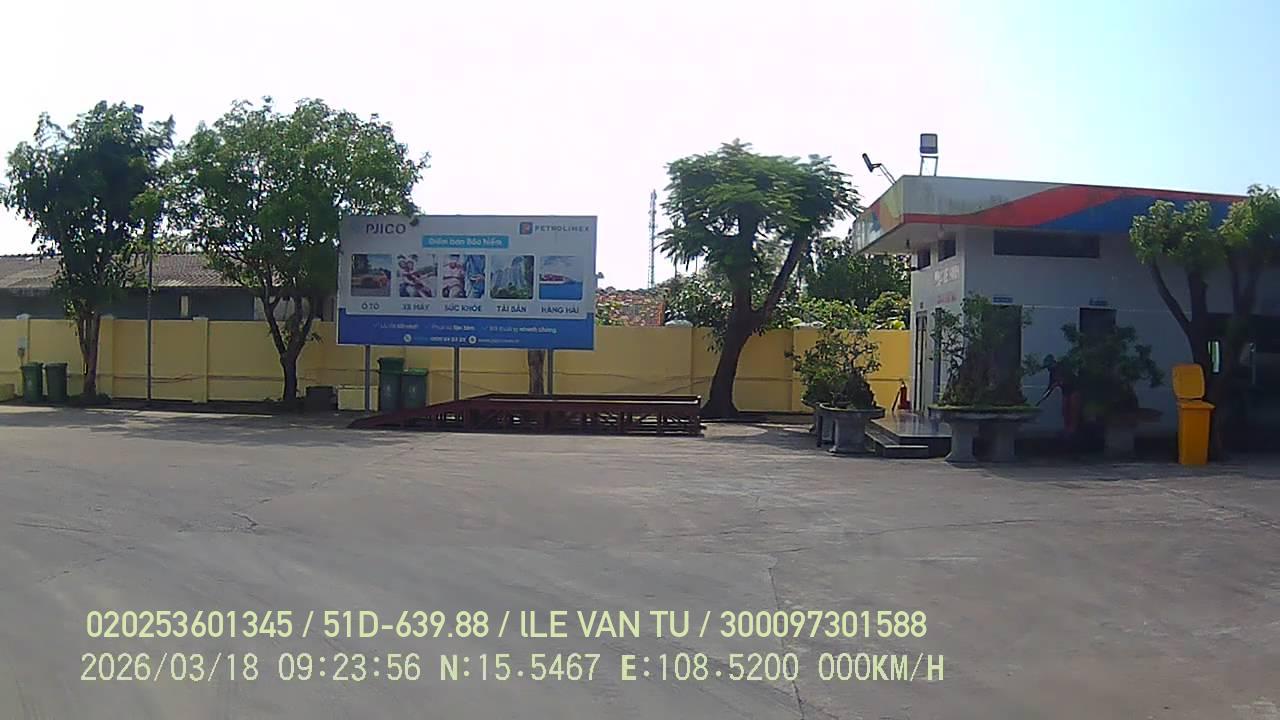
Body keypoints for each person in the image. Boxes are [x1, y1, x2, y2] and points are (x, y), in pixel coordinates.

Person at [1037, 355, 1082, 442]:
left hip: (1074, 389)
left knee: (1073, 409)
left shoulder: (1062, 367)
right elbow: (1050, 387)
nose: (1048, 369)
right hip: (1065, 391)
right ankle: (1067, 429)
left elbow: (1069, 379)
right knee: (1064, 410)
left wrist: (1059, 382)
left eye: (1049, 366)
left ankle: (1073, 429)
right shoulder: (1052, 373)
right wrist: (1043, 396)